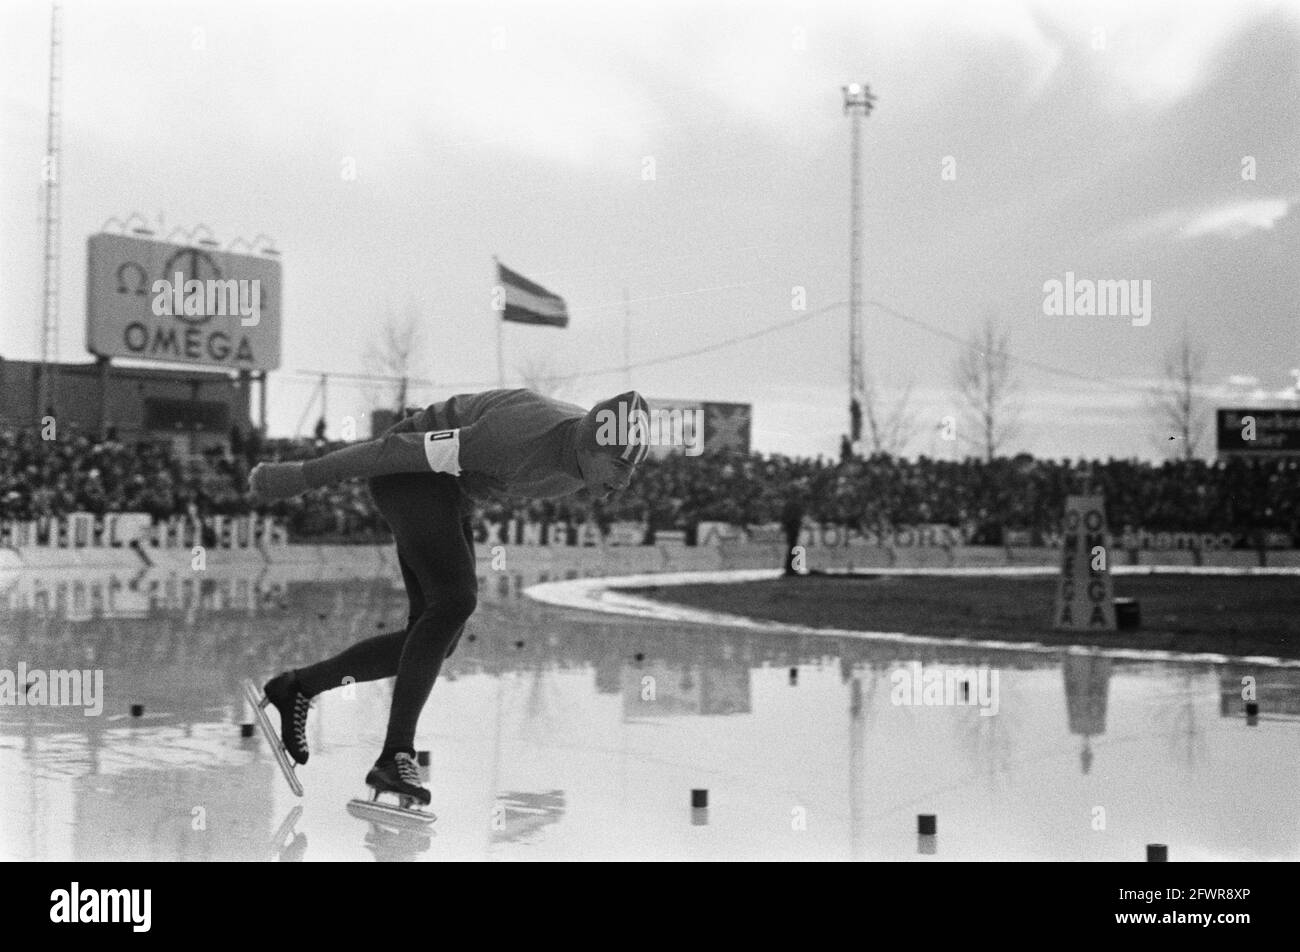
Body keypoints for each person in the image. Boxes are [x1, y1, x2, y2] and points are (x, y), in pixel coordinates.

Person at [247, 388, 651, 807]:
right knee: (456, 601)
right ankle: (395, 753)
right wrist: (302, 476)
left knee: (440, 634)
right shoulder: (515, 436)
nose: (623, 482)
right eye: (620, 465)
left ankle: (298, 686)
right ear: (589, 446)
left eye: (633, 468)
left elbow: (480, 478)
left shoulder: (580, 464)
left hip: (448, 493)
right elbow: (391, 451)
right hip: (408, 474)